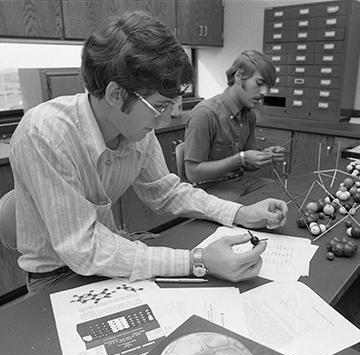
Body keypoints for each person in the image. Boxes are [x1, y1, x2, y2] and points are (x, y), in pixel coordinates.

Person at [10, 11, 288, 295]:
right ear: (116, 94)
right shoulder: (45, 134)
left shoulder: (135, 130)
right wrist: (198, 261)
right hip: (58, 278)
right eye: (159, 106)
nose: (165, 120)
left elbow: (166, 192)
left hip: (110, 254)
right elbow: (84, 249)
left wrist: (240, 212)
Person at [184, 50, 286, 201]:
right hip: (209, 188)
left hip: (239, 181)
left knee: (282, 195)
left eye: (268, 87)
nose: (265, 92)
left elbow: (249, 166)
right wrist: (241, 158)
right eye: (260, 83)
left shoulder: (249, 115)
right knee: (261, 210)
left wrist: (264, 156)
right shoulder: (205, 114)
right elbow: (192, 173)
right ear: (238, 77)